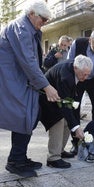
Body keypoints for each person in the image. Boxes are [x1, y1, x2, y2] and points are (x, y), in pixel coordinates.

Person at [0, 0, 60, 178]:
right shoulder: (22, 28)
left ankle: (20, 156)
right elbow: (28, 61)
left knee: (30, 116)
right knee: (26, 115)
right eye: (43, 19)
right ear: (32, 13)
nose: (45, 22)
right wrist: (46, 86)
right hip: (14, 81)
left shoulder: (28, 28)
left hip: (21, 81)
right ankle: (15, 161)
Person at [39, 55, 92, 168]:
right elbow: (64, 105)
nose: (86, 77)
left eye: (88, 74)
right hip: (46, 99)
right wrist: (76, 128)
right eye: (84, 74)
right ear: (76, 68)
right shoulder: (66, 77)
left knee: (69, 123)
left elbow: (70, 102)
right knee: (58, 121)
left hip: (59, 99)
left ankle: (60, 150)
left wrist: (75, 124)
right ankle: (53, 158)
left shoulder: (77, 70)